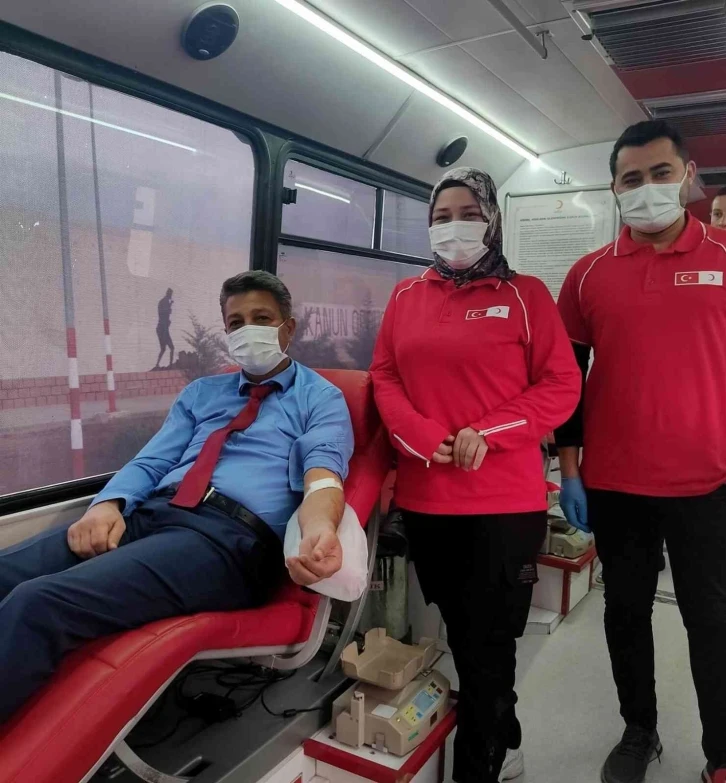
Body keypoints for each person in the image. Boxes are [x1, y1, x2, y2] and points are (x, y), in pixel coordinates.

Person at [0, 271, 353, 724]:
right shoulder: (201, 394)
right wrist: (108, 504)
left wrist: (320, 526)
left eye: (262, 318)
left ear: (289, 328)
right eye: (236, 322)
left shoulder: (320, 399)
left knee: (37, 603)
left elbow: (323, 476)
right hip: (154, 512)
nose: (247, 330)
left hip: (226, 542)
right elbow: (151, 462)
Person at [370, 167, 581, 783]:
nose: (453, 226)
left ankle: (479, 765)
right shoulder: (405, 297)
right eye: (441, 217)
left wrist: (486, 432)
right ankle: (505, 735)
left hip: (502, 502)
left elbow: (561, 384)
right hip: (427, 499)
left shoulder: (527, 296)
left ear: (492, 220)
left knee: (488, 642)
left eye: (467, 214)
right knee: (463, 632)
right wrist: (419, 435)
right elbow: (384, 375)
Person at [556, 120, 726, 783]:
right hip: (615, 483)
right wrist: (570, 470)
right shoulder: (587, 276)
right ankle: (639, 729)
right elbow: (567, 383)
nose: (647, 187)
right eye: (632, 178)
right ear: (614, 189)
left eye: (661, 173)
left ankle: (721, 751)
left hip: (709, 481)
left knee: (711, 619)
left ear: (687, 176)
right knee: (625, 613)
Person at [154, 287, 175, 369]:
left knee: (163, 349)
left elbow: (164, 313)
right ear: (169, 293)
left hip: (161, 328)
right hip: (163, 329)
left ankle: (157, 364)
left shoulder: (163, 301)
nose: (171, 296)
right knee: (171, 348)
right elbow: (165, 312)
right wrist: (170, 306)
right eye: (171, 294)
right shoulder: (165, 301)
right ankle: (170, 365)